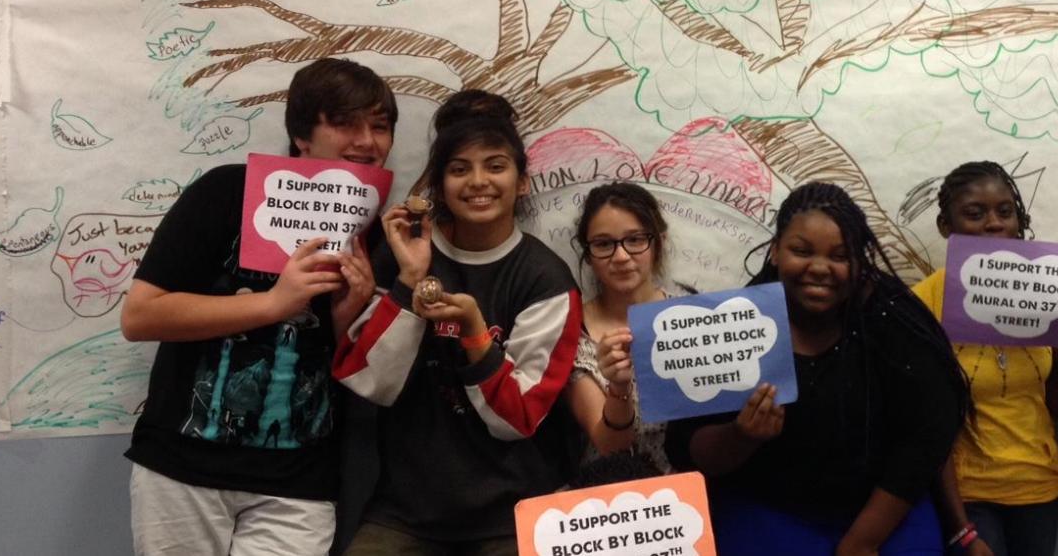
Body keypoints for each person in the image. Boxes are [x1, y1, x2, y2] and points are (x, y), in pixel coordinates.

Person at [121, 57, 398, 556]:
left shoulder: (377, 229)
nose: (366, 141)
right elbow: (141, 316)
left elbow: (355, 370)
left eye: (380, 127)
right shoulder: (227, 192)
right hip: (182, 466)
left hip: (299, 483)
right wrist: (273, 303)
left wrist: (345, 315)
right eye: (344, 123)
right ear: (301, 136)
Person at [333, 91, 580, 555]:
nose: (478, 182)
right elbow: (370, 383)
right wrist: (409, 280)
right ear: (441, 184)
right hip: (404, 512)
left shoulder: (546, 280)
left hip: (512, 514)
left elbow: (517, 420)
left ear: (522, 181)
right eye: (460, 168)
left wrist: (475, 333)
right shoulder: (403, 254)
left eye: (495, 165)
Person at [667, 181, 969, 556]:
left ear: (859, 260)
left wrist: (862, 542)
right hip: (769, 507)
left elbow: (929, 433)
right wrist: (741, 436)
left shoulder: (893, 317)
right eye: (801, 251)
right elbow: (687, 449)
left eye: (840, 256)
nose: (820, 268)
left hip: (885, 507)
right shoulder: (730, 323)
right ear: (776, 251)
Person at [910, 161, 1058, 556]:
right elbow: (922, 424)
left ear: (1019, 220)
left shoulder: (1050, 290)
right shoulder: (923, 304)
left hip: (1038, 486)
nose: (994, 223)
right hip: (965, 495)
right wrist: (961, 528)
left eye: (1005, 211)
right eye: (975, 213)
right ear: (947, 227)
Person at [564, 181, 688, 481]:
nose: (620, 257)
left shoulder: (690, 316)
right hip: (606, 499)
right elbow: (609, 446)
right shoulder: (571, 330)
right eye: (604, 244)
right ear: (589, 254)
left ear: (658, 242)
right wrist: (618, 388)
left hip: (684, 491)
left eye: (635, 240)